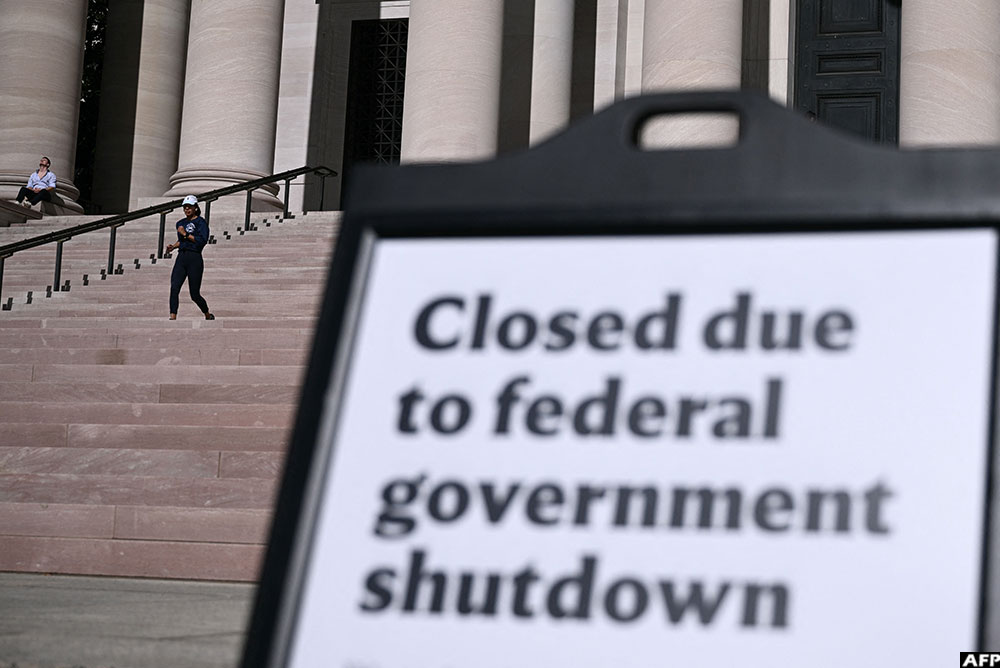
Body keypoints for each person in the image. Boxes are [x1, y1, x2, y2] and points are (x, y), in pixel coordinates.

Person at [165, 195, 215, 321]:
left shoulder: (201, 222)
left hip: (195, 258)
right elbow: (181, 241)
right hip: (182, 257)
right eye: (185, 207)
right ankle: (172, 316)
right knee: (174, 287)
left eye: (189, 207)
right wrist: (173, 246)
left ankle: (207, 313)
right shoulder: (180, 223)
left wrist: (185, 234)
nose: (187, 209)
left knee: (194, 294)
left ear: (195, 208)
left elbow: (201, 240)